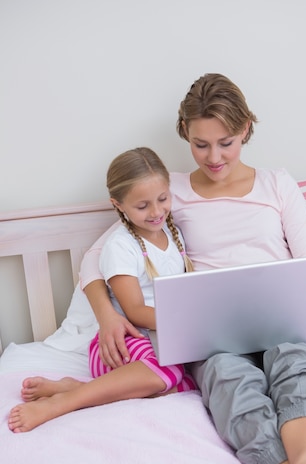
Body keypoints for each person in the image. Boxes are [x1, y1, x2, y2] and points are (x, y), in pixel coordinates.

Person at [15, 74, 306, 464]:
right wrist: (108, 314)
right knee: (229, 383)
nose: (214, 158)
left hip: (279, 313)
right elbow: (96, 258)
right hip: (210, 328)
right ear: (184, 133)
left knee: (300, 370)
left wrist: (295, 287)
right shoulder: (167, 193)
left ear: (247, 131)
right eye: (201, 145)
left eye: (226, 143)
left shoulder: (277, 184)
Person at [8, 147, 197, 433]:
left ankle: (77, 388)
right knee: (166, 372)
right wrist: (185, 323)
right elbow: (133, 311)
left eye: (162, 199)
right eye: (142, 206)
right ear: (118, 204)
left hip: (160, 339)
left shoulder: (174, 234)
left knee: (189, 385)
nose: (156, 211)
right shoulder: (120, 246)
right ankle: (62, 403)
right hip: (121, 343)